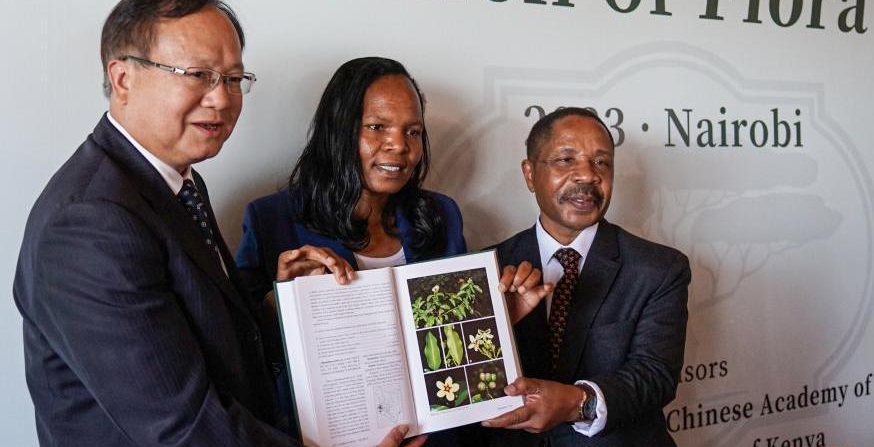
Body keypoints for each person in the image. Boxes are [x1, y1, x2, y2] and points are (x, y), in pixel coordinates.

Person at [12, 0, 407, 446]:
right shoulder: (91, 221)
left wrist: (279, 305)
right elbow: (181, 427)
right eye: (198, 74)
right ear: (123, 79)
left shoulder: (180, 183)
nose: (221, 98)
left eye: (234, 79)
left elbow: (208, 345)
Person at [235, 57, 550, 439]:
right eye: (377, 127)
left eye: (413, 131)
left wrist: (495, 318)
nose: (399, 145)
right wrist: (281, 300)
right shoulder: (272, 219)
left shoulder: (441, 215)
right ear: (339, 130)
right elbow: (244, 356)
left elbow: (446, 346)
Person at [480, 107, 691, 446]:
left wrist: (577, 403)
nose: (588, 175)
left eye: (601, 162)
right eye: (566, 160)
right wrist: (500, 323)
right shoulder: (488, 268)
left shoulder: (660, 268)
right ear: (530, 174)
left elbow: (655, 376)